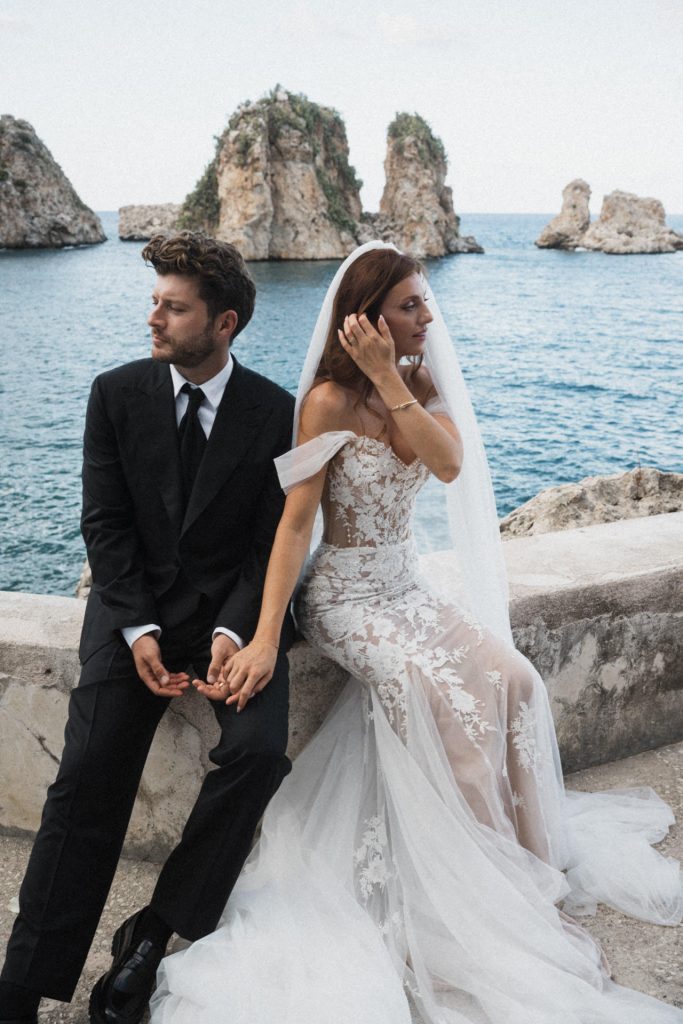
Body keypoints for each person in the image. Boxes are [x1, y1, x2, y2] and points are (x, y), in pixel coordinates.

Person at [151, 240, 682, 1024]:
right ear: (366, 320)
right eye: (409, 306)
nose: (426, 317)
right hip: (344, 596)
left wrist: (393, 382)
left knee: (515, 681)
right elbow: (296, 528)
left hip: (406, 583)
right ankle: (472, 908)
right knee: (435, 698)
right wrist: (265, 636)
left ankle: (527, 874)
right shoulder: (327, 401)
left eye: (424, 303)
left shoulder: (419, 381)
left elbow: (447, 465)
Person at [0, 233, 295, 1024]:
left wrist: (237, 634)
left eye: (173, 306)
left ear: (223, 321)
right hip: (132, 613)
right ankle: (21, 984)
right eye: (154, 302)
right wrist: (136, 632)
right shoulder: (114, 392)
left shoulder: (275, 411)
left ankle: (153, 932)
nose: (153, 318)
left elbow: (273, 543)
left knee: (259, 753)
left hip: (231, 623)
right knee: (88, 775)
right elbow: (105, 525)